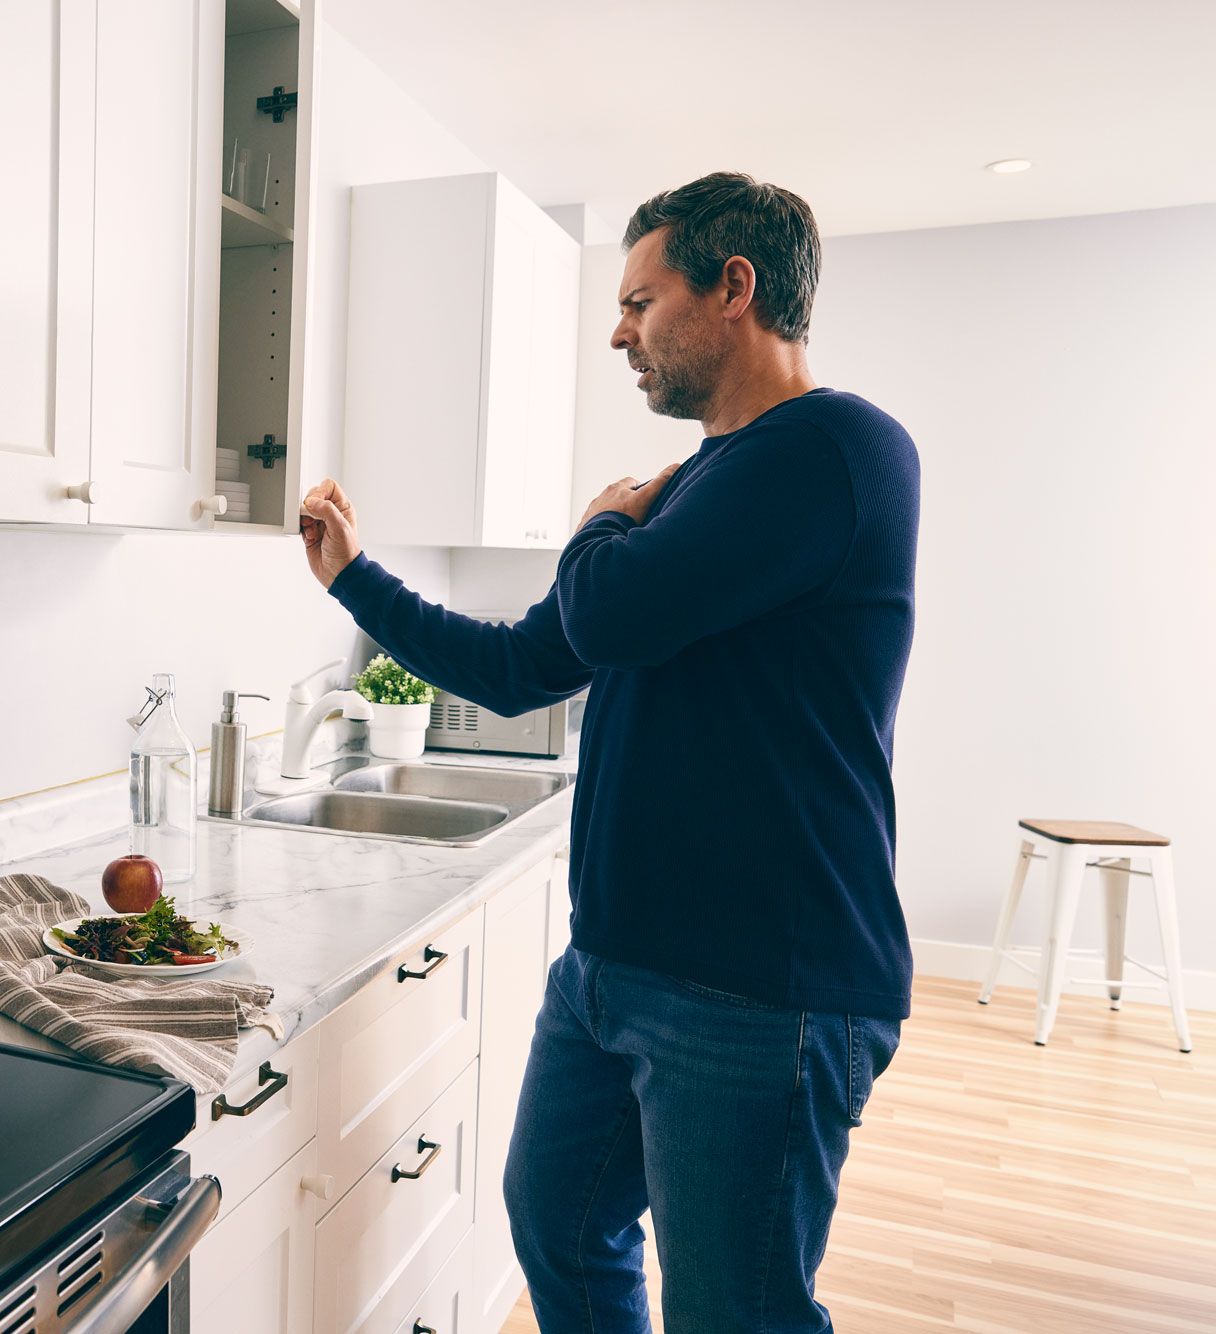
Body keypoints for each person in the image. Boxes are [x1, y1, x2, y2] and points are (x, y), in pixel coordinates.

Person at [299, 171, 919, 1333]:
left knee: (735, 1312)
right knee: (555, 1220)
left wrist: (593, 522)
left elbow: (608, 614)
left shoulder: (835, 448)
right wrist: (353, 579)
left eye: (639, 300)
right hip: (612, 967)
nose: (616, 330)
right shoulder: (688, 490)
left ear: (732, 288)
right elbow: (527, 661)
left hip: (759, 989)